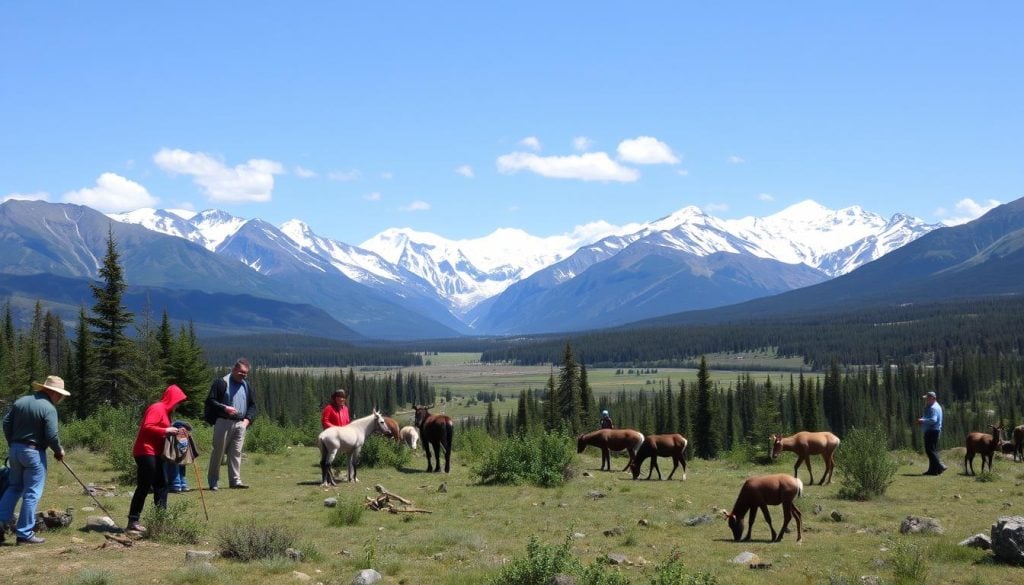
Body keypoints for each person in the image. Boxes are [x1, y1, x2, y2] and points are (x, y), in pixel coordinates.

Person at [0, 375, 69, 545]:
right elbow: (52, 435)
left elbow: (6, 422)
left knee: (14, 487)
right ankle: (24, 533)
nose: (60, 398)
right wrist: (58, 451)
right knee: (32, 492)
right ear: (53, 392)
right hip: (34, 453)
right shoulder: (49, 408)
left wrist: (13, 443)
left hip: (15, 450)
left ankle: (0, 524)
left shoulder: (21, 401)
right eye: (59, 395)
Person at [127, 385, 188, 532]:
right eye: (178, 401)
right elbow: (147, 426)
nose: (178, 405)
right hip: (145, 451)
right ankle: (133, 521)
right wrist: (166, 430)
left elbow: (160, 431)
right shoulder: (157, 408)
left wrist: (175, 432)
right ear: (172, 399)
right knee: (145, 485)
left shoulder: (166, 412)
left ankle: (159, 521)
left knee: (161, 485)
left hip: (154, 453)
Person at [204, 358, 256, 490]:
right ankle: (213, 482)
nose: (243, 375)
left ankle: (235, 481)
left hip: (240, 424)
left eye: (245, 373)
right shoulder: (221, 383)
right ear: (234, 369)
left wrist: (247, 421)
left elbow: (252, 405)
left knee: (236, 453)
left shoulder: (246, 385)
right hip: (223, 422)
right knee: (218, 453)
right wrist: (224, 408)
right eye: (241, 372)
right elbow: (210, 401)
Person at [917, 391, 946, 475]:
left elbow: (933, 420)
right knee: (932, 450)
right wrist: (923, 419)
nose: (926, 400)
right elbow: (929, 417)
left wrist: (922, 420)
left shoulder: (933, 408)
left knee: (930, 450)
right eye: (926, 398)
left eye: (928, 398)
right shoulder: (936, 406)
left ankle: (941, 466)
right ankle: (933, 471)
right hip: (934, 430)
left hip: (932, 430)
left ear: (933, 398)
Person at [163, 420, 192, 493]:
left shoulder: (175, 431)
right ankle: (183, 484)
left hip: (175, 449)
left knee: (173, 462)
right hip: (183, 451)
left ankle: (175, 485)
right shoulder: (184, 432)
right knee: (181, 463)